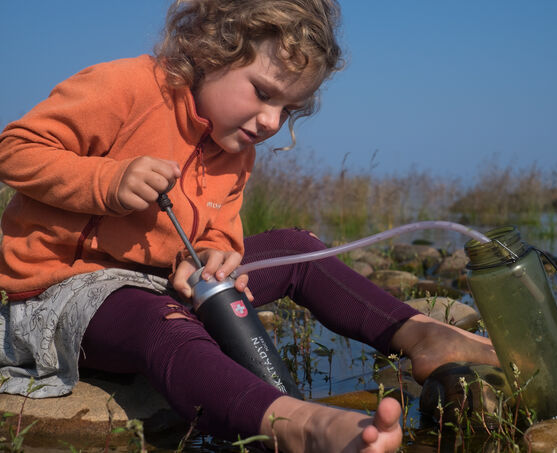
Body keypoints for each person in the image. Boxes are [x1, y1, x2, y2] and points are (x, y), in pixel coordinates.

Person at [0, 1, 498, 451]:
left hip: (158, 283)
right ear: (212, 50)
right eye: (262, 93)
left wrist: (219, 252)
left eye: (288, 109)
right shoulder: (125, 87)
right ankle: (295, 426)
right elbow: (16, 149)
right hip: (64, 292)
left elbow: (219, 230)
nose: (269, 120)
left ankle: (418, 335)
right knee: (162, 323)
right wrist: (107, 179)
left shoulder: (236, 151)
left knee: (296, 249)